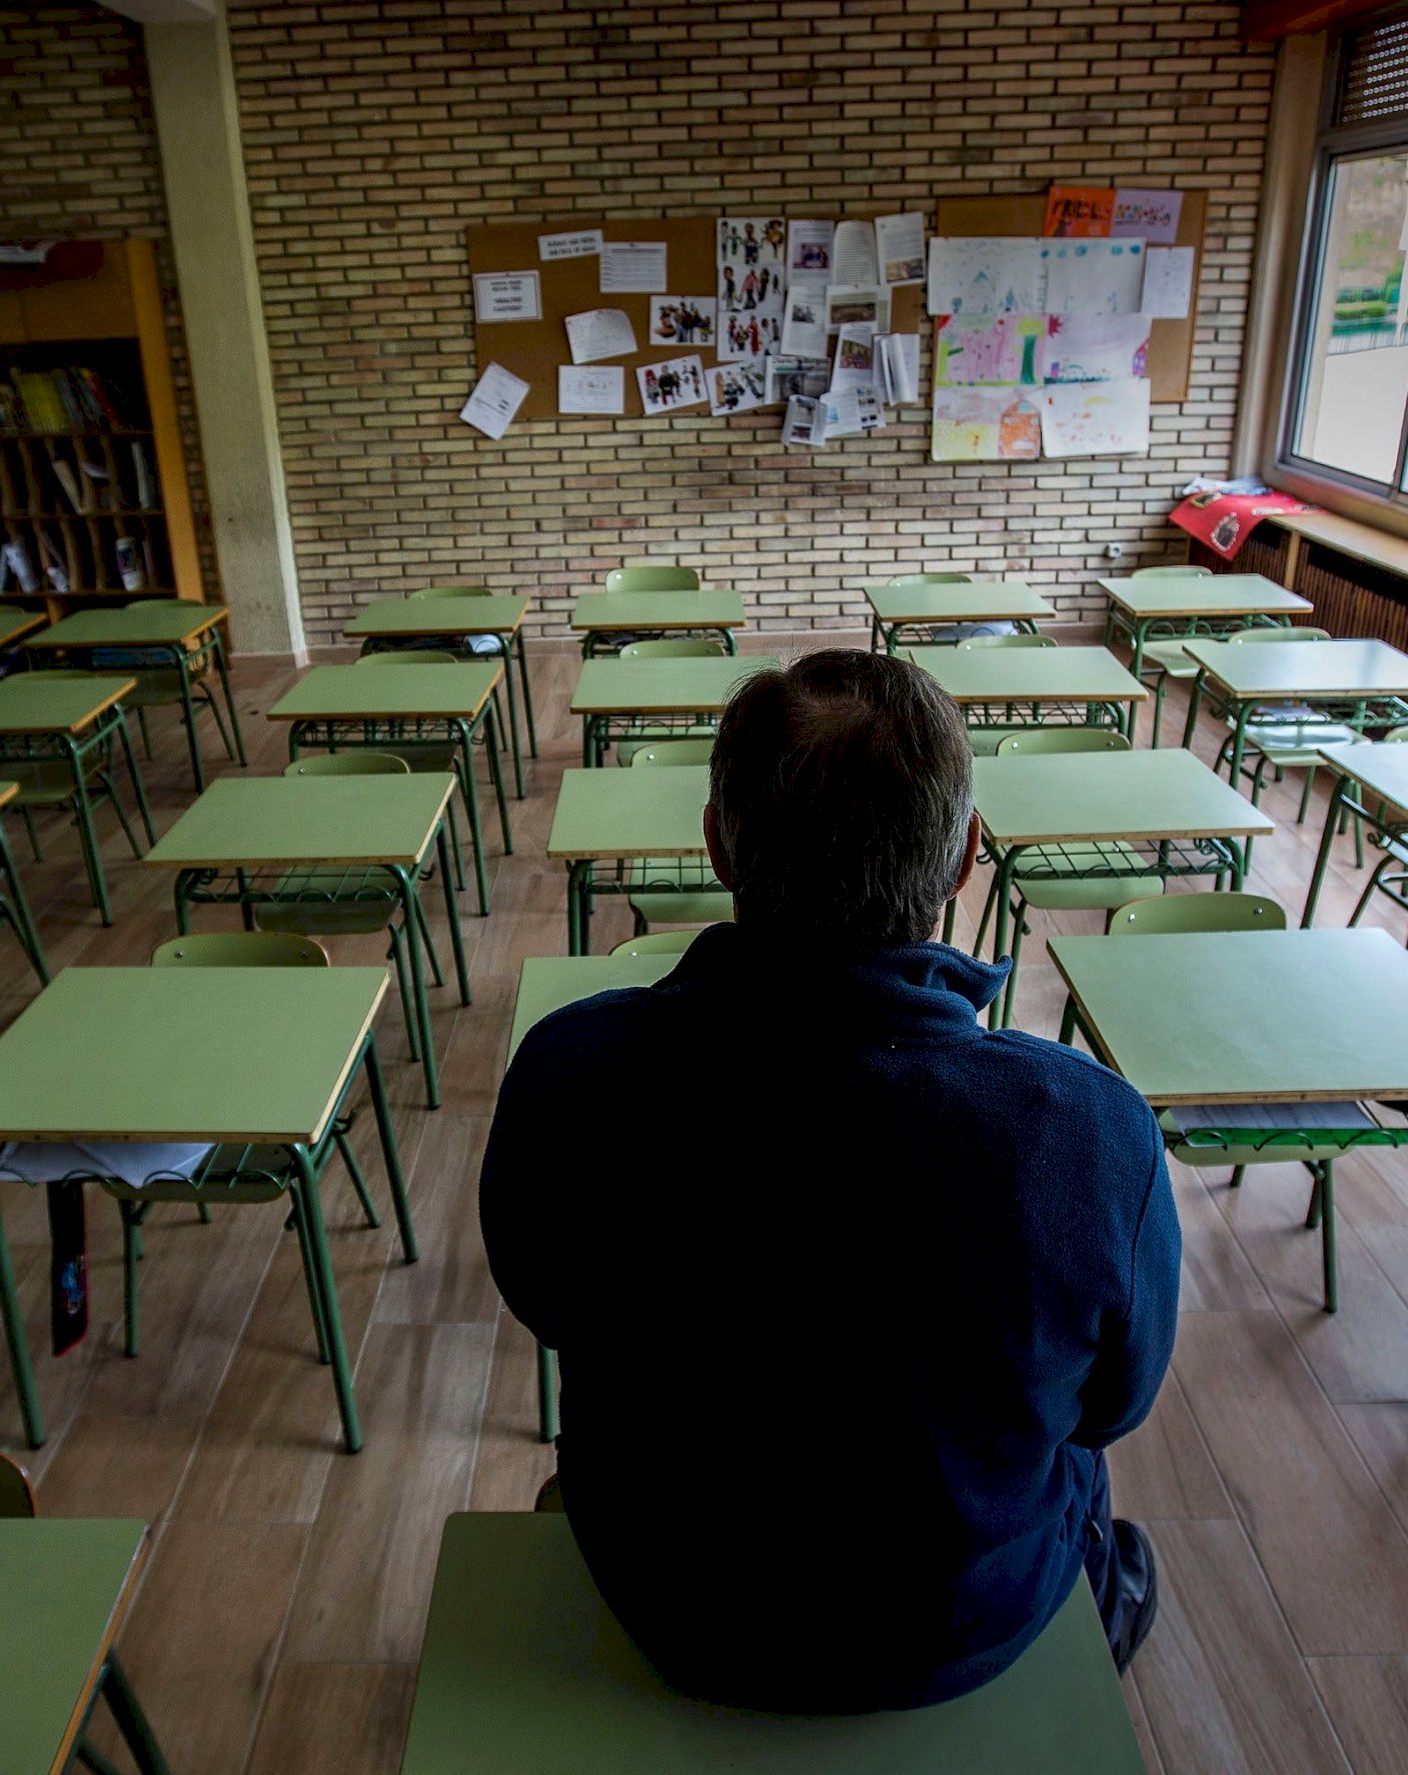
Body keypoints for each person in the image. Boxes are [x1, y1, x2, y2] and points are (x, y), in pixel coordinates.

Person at [482, 649, 1178, 1713]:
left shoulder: (570, 1069)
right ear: (962, 861)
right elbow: (1109, 1405)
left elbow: (540, 1291)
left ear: (716, 843)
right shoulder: (1091, 1130)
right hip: (961, 1625)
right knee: (1087, 1496)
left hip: (669, 1597)